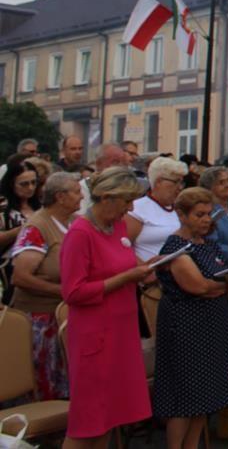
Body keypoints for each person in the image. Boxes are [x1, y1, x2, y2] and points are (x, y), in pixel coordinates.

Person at [60, 167, 153, 449]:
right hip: (95, 335)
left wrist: (146, 268)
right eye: (127, 201)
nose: (131, 208)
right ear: (108, 198)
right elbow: (73, 292)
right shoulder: (80, 233)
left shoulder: (119, 225)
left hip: (122, 331)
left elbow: (126, 260)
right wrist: (124, 279)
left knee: (110, 417)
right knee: (88, 421)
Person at [152, 188, 228, 449]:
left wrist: (219, 285)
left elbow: (222, 282)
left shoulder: (207, 243)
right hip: (186, 325)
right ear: (181, 215)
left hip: (213, 319)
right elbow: (199, 286)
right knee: (186, 395)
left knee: (205, 394)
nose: (206, 220)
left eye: (208, 214)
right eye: (199, 215)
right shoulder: (175, 246)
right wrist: (219, 286)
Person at [10, 172, 81, 399]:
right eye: (77, 192)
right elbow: (20, 276)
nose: (81, 197)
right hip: (42, 319)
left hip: (65, 314)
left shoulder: (72, 222)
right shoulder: (37, 227)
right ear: (60, 197)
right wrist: (62, 291)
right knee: (49, 384)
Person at [127, 156, 187, 262]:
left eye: (181, 182)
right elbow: (124, 247)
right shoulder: (136, 208)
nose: (180, 187)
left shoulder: (180, 209)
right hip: (149, 274)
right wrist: (145, 271)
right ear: (159, 182)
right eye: (176, 182)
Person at [199, 166, 228, 266]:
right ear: (209, 188)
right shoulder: (208, 213)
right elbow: (213, 245)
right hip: (227, 268)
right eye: (221, 182)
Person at [0, 160, 41, 256]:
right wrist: (26, 227)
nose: (31, 187)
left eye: (34, 182)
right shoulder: (2, 206)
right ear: (11, 184)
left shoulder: (41, 205)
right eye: (24, 184)